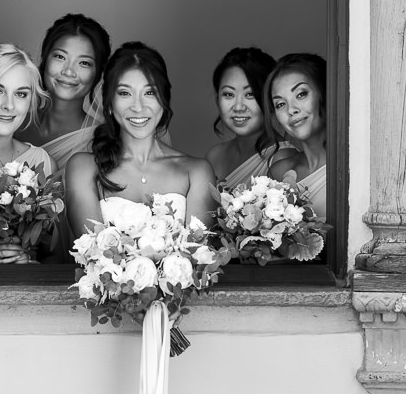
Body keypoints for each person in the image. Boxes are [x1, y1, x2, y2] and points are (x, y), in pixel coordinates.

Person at [66, 42, 216, 239]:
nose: (138, 107)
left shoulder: (196, 172)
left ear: (164, 100)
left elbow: (198, 254)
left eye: (150, 93)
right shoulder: (83, 168)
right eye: (125, 93)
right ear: (109, 103)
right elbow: (90, 255)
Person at [0, 43, 56, 263]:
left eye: (21, 94)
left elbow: (52, 258)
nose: (9, 105)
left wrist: (22, 260)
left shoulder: (39, 163)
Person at [16, 13, 112, 171]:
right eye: (60, 57)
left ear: (98, 73)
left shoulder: (103, 140)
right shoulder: (14, 120)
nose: (69, 71)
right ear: (45, 59)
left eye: (84, 63)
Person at [204, 47, 296, 187]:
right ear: (217, 100)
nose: (238, 107)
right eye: (229, 94)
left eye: (250, 94)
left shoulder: (283, 159)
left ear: (270, 99)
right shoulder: (214, 155)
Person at [265, 53, 327, 220]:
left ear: (324, 93)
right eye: (280, 104)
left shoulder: (355, 166)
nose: (291, 110)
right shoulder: (278, 173)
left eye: (301, 94)